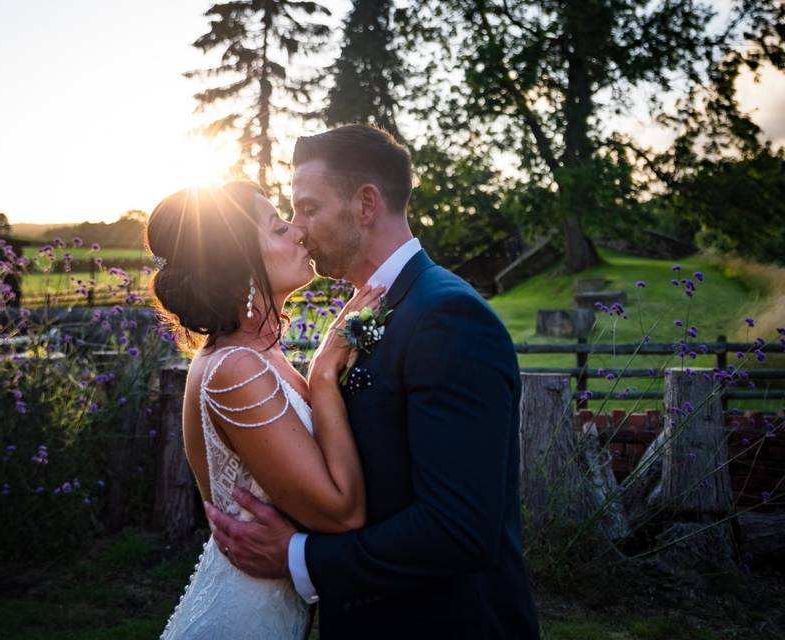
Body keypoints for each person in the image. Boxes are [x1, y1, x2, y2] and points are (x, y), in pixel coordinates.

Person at [205, 125, 541, 638]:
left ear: (365, 204)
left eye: (309, 208)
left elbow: (459, 529)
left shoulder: (447, 317)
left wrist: (300, 557)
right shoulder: (372, 310)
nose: (299, 228)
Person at [149, 180, 385, 639]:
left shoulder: (257, 355)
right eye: (278, 228)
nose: (299, 232)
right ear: (240, 270)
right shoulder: (236, 369)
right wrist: (321, 377)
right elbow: (342, 513)